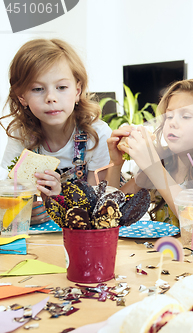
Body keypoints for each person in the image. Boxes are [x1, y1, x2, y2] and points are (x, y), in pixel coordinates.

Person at [0, 38, 112, 225]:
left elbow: (97, 207)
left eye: (61, 87)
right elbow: (8, 191)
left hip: (83, 232)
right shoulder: (22, 135)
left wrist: (60, 197)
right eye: (37, 89)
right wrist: (22, 211)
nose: (51, 97)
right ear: (22, 97)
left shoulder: (96, 135)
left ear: (77, 91)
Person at [106, 79, 193, 227]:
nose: (172, 122)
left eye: (186, 116)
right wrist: (115, 164)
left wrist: (154, 167)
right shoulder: (164, 160)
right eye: (169, 116)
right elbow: (109, 209)